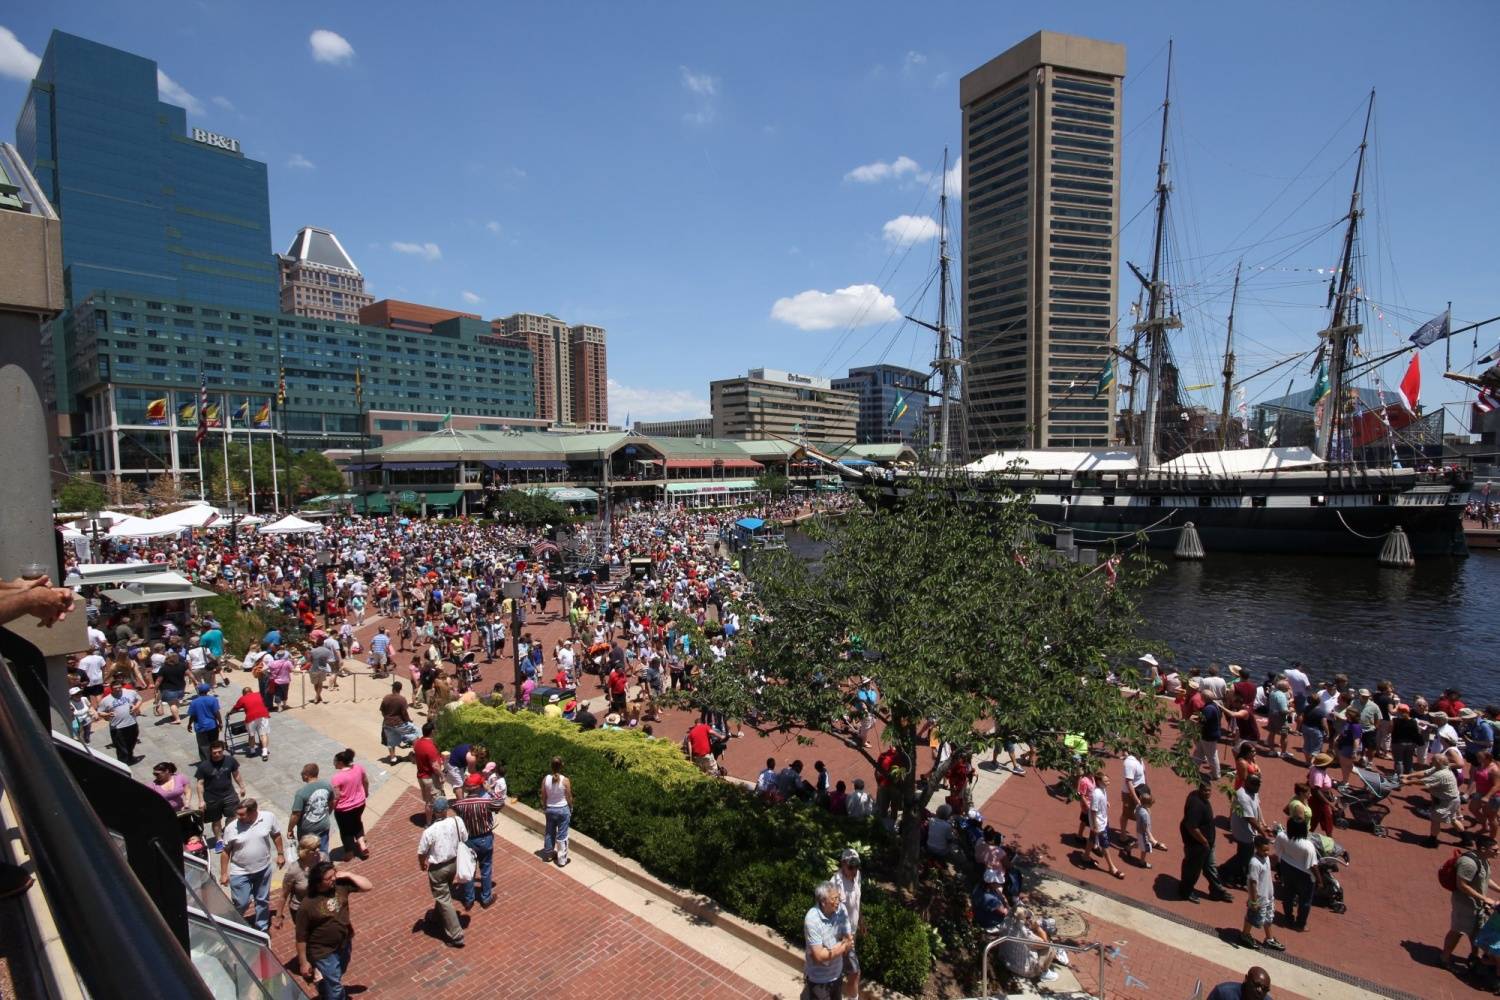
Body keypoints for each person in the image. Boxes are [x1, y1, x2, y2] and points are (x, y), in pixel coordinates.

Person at [295, 860, 373, 1000]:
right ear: (318, 882)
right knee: (335, 987)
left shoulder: (340, 886)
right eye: (329, 878)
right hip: (323, 951)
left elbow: (368, 886)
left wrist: (349, 874)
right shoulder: (307, 906)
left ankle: (323, 988)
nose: (333, 879)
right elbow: (301, 937)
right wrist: (304, 962)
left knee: (338, 972)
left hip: (344, 943)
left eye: (334, 875)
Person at [219, 798, 284, 932]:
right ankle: (234, 924)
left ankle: (262, 928)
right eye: (237, 814)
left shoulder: (268, 817)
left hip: (263, 869)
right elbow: (225, 852)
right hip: (240, 872)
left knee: (262, 900)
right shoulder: (231, 828)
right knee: (242, 902)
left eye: (242, 814)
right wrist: (224, 873)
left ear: (253, 812)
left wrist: (280, 854)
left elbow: (276, 835)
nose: (238, 817)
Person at [1442, 834, 1500, 970]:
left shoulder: (1484, 859)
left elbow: (1485, 878)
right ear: (1483, 849)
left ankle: (1473, 956)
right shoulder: (1469, 864)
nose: (1498, 852)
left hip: (1476, 903)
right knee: (1458, 931)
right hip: (1465, 904)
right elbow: (1462, 885)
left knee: (1476, 930)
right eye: (1495, 850)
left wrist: (1498, 889)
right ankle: (1444, 959)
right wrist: (1484, 898)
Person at [416, 798, 467, 948]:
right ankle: (437, 917)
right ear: (446, 810)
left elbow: (421, 852)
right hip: (453, 864)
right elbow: (465, 837)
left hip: (438, 868)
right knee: (444, 891)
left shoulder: (429, 831)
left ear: (434, 812)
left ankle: (456, 935)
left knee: (444, 898)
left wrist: (422, 864)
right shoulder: (457, 821)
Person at [454, 772, 504, 910]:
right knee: (486, 868)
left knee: (469, 869)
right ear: (480, 786)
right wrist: (489, 790)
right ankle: (486, 898)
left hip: (468, 841)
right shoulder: (485, 803)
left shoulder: (459, 804)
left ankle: (469, 900)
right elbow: (500, 802)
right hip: (484, 838)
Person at [1179, 780, 1231, 903]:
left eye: (1209, 790)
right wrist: (1204, 842)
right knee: (1192, 869)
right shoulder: (1196, 805)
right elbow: (1191, 827)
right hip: (1197, 845)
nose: (1207, 793)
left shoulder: (1197, 797)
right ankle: (1185, 892)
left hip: (1207, 844)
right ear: (1199, 789)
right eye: (1205, 790)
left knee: (1210, 867)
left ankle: (1216, 890)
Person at [802, 881, 853, 1000]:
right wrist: (842, 946)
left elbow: (849, 939)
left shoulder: (841, 910)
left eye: (838, 897)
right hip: (819, 979)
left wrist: (830, 951)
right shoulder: (812, 919)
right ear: (823, 902)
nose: (838, 901)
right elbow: (819, 956)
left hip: (837, 974)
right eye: (834, 899)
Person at [1401, 757, 1466, 848]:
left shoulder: (1441, 774)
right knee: (1453, 819)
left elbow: (1424, 782)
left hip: (1446, 802)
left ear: (1439, 761)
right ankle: (1466, 839)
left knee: (1435, 820)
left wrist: (1408, 781)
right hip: (1452, 800)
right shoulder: (1441, 767)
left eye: (1433, 760)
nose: (1431, 761)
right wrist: (1408, 776)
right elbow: (1424, 773)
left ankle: (1432, 841)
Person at [196, 740, 247, 852]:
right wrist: (201, 800)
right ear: (210, 752)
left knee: (234, 815)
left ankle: (228, 832)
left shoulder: (230, 760)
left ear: (223, 750)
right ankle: (219, 840)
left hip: (229, 794)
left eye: (219, 752)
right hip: (212, 798)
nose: (217, 754)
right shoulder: (204, 766)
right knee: (216, 820)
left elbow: (236, 774)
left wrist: (242, 787)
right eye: (214, 753)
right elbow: (200, 783)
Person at [1223, 773, 1269, 888]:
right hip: (1243, 830)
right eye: (1254, 784)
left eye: (1258, 784)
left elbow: (1257, 807)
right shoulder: (1242, 796)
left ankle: (1236, 874)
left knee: (1245, 854)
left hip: (1249, 829)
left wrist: (1263, 824)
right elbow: (1249, 818)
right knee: (1244, 856)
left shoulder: (1253, 791)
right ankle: (1226, 872)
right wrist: (1262, 832)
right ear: (1246, 783)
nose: (1257, 787)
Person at [1274, 817, 1320, 932]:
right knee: (1305, 900)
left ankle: (1288, 918)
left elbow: (1278, 852)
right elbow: (1313, 866)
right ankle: (1300, 924)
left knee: (1288, 894)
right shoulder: (1308, 846)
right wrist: (1319, 880)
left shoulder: (1281, 836)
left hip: (1286, 868)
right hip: (1304, 875)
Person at [1238, 836, 1284, 951]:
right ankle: (1245, 935)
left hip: (1268, 895)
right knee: (1252, 917)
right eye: (1264, 850)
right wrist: (1253, 901)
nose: (1267, 852)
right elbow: (1253, 883)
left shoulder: (1266, 858)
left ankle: (1269, 939)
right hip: (1259, 898)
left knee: (1268, 918)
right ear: (1257, 848)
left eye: (1268, 850)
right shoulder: (1254, 863)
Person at [277, 834, 326, 932]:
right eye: (314, 849)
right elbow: (284, 895)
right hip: (302, 910)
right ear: (305, 851)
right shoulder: (293, 870)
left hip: (321, 904)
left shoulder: (322, 858)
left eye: (318, 846)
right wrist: (278, 916)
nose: (318, 850)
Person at [832, 848, 863, 1000]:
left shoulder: (857, 876)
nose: (854, 870)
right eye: (851, 866)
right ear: (843, 864)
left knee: (840, 970)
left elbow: (857, 901)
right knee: (855, 972)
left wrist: (861, 920)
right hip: (841, 936)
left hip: (852, 933)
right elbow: (829, 914)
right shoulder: (834, 883)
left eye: (856, 866)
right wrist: (844, 938)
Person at [330, 749, 370, 860]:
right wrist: (366, 792)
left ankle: (349, 853)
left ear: (341, 762)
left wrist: (331, 808)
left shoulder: (337, 778)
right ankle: (362, 844)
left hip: (344, 809)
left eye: (335, 761)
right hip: (360, 804)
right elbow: (365, 781)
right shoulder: (359, 768)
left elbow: (336, 796)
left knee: (345, 830)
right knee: (357, 822)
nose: (334, 763)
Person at [289, 763, 337, 856]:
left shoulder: (301, 793)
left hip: (307, 831)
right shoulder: (327, 786)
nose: (301, 775)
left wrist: (290, 829)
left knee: (306, 854)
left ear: (306, 775)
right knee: (323, 851)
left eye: (302, 773)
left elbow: (296, 814)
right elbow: (332, 802)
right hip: (324, 825)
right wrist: (326, 814)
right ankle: (324, 863)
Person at [95, 678, 143, 764]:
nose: (117, 689)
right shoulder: (106, 700)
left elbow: (139, 699)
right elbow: (99, 712)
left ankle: (130, 758)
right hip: (117, 727)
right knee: (121, 747)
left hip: (132, 723)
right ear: (111, 689)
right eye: (115, 688)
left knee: (132, 742)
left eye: (119, 687)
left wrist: (136, 707)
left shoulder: (130, 692)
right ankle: (123, 763)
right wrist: (107, 714)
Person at [1087, 773, 1125, 878]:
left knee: (1092, 838)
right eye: (1106, 781)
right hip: (1099, 823)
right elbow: (1093, 811)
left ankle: (1085, 856)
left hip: (1103, 819)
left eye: (1108, 780)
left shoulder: (1102, 789)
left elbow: (1099, 802)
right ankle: (1112, 868)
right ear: (1099, 782)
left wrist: (1105, 802)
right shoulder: (1096, 794)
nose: (1108, 782)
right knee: (1104, 844)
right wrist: (1095, 826)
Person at [540, 756, 573, 868]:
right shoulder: (565, 780)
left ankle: (548, 854)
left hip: (550, 809)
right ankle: (562, 860)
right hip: (563, 809)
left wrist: (545, 806)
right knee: (562, 834)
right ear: (561, 766)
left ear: (551, 766)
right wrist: (571, 807)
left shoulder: (546, 779)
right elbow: (569, 797)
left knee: (549, 832)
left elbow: (543, 795)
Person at [413, 721, 446, 824]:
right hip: (430, 778)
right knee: (437, 802)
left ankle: (429, 822)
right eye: (435, 730)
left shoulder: (418, 743)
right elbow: (435, 766)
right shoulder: (430, 747)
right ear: (432, 732)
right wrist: (442, 776)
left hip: (422, 776)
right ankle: (439, 823)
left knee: (429, 802)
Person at [378, 681, 419, 765]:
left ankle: (393, 759)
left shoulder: (386, 698)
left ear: (393, 688)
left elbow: (382, 710)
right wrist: (409, 721)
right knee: (415, 732)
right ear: (400, 689)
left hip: (387, 723)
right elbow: (404, 713)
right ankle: (418, 755)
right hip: (398, 723)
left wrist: (386, 718)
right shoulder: (402, 699)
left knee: (390, 741)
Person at [230, 685, 272, 762]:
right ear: (251, 691)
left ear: (243, 693)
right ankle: (265, 753)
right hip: (263, 715)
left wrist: (229, 713)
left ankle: (252, 751)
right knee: (264, 734)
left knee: (251, 735)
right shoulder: (259, 694)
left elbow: (235, 709)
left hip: (251, 717)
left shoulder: (242, 698)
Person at [186, 683, 224, 763]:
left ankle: (206, 762)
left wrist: (189, 724)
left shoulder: (194, 702)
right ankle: (216, 759)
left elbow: (193, 715)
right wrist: (220, 722)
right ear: (208, 691)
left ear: (198, 691)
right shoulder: (213, 700)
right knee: (214, 744)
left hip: (200, 727)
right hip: (212, 726)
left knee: (203, 746)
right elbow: (216, 712)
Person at [1205, 966, 1272, 1000]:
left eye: (1265, 989)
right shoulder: (1223, 993)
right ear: (1246, 979)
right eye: (1257, 985)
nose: (1260, 991)